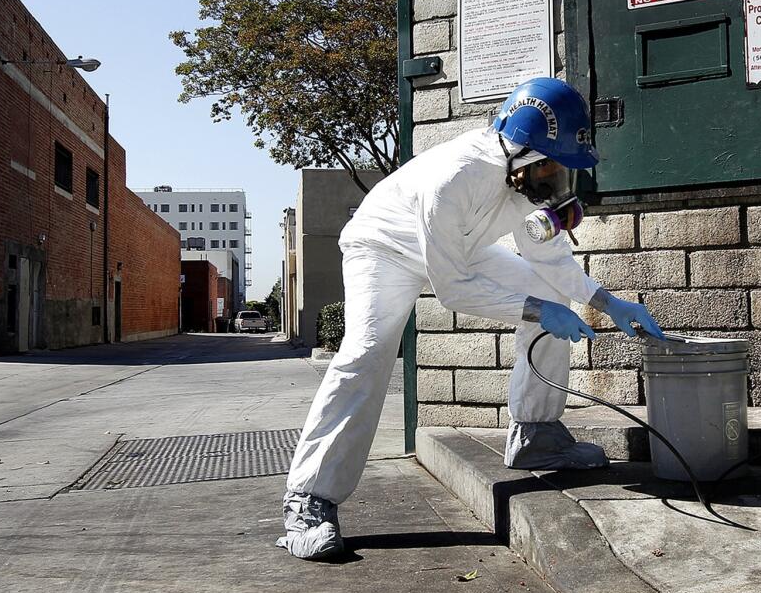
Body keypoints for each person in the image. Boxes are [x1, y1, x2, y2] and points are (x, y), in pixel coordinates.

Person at [278, 77, 664, 560]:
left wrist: (609, 303)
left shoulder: (525, 180)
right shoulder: (454, 177)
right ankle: (310, 497)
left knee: (543, 287)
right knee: (367, 352)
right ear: (524, 152)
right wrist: (542, 312)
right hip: (384, 248)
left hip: (461, 247)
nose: (562, 178)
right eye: (557, 164)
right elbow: (452, 288)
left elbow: (549, 262)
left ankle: (536, 435)